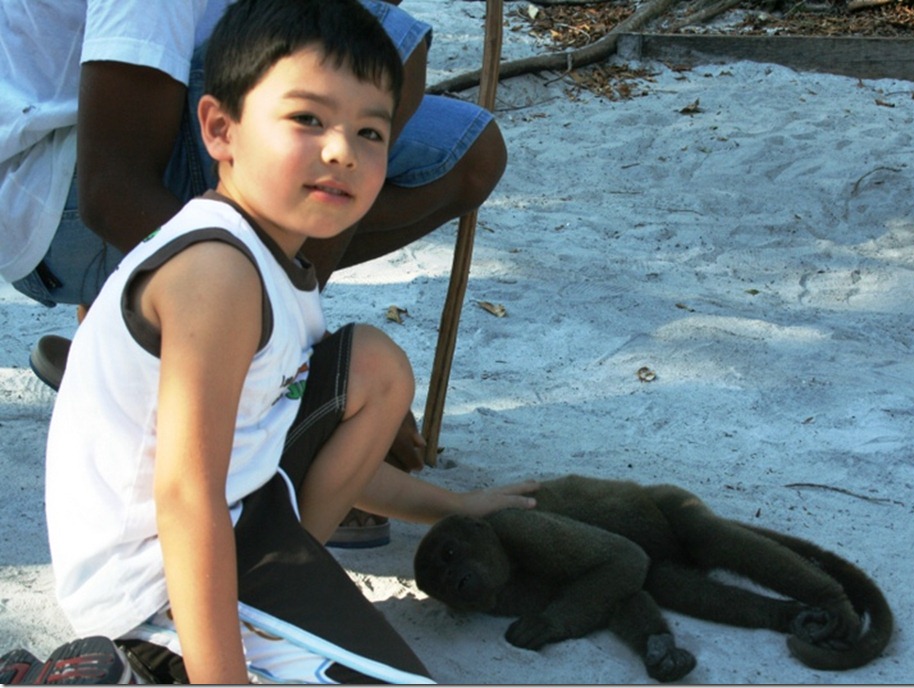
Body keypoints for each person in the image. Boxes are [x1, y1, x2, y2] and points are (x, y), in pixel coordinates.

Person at [30, 0, 537, 683]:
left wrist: (454, 506)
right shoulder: (217, 274)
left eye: (370, 132)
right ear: (219, 128)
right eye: (307, 119)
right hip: (151, 589)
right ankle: (145, 665)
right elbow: (186, 496)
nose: (341, 152)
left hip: (238, 526)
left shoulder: (269, 262)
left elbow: (267, 446)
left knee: (375, 368)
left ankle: (274, 603)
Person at [0, 0, 506, 386]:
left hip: (111, 166)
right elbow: (110, 190)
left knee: (470, 154)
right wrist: (290, 351)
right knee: (384, 41)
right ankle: (265, 382)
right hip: (55, 208)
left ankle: (148, 346)